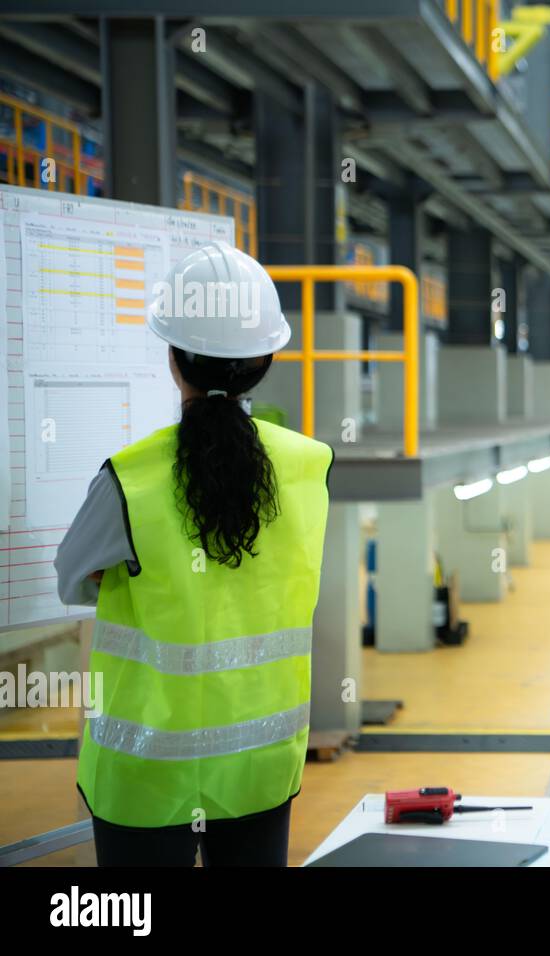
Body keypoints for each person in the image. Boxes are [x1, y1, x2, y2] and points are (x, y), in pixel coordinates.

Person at [54, 241, 333, 866]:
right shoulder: (308, 467)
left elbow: (73, 579)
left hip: (145, 772)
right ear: (265, 359)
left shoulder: (131, 479)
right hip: (259, 764)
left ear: (174, 360)